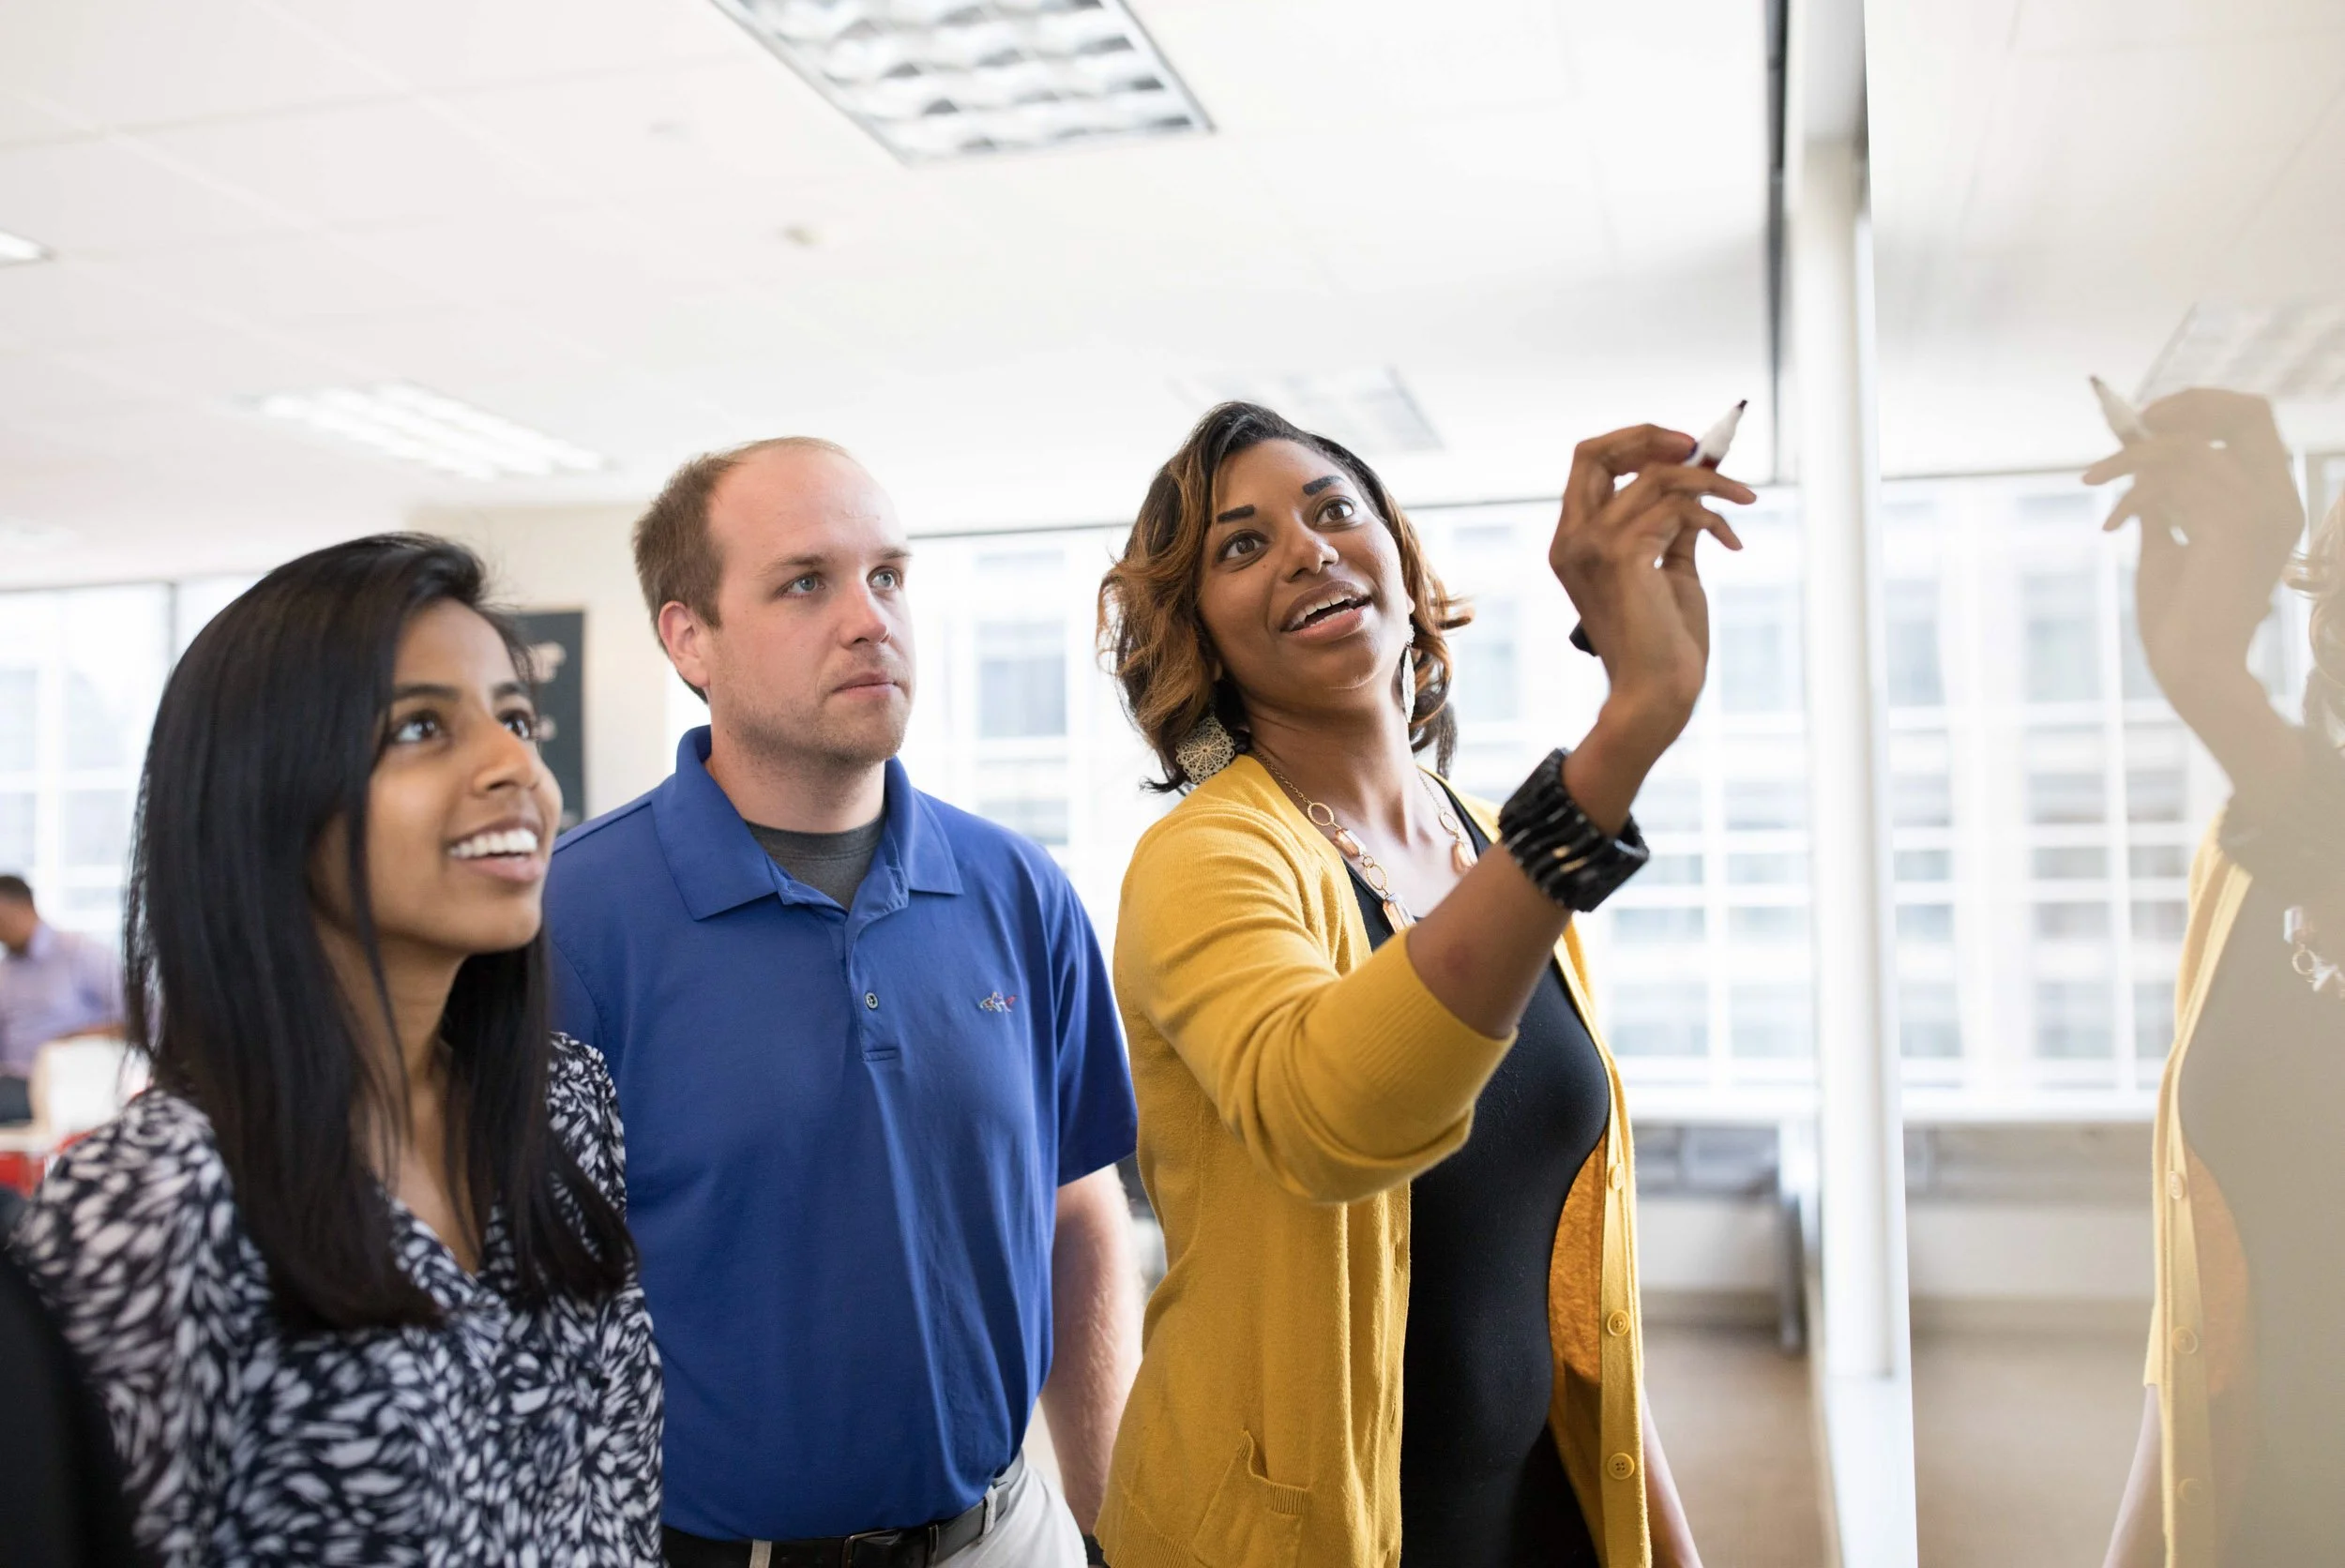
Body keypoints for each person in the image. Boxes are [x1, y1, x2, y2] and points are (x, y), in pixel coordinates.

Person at [1093, 402, 1734, 1568]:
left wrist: (1661, 1545)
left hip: (1530, 1518)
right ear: (1198, 635)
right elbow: (1333, 1114)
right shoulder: (1207, 857)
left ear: (1396, 554)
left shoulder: (1487, 845)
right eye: (1242, 545)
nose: (1305, 547)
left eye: (1334, 509)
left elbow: (1564, 1286)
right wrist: (1624, 730)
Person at [544, 436, 1141, 1568]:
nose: (871, 619)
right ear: (689, 639)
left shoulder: (1019, 890)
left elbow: (1075, 1204)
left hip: (1008, 1533)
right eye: (805, 583)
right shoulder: (568, 923)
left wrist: (1116, 1521)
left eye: (889, 576)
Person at [8, 536, 661, 1567]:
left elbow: (618, 1492)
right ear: (266, 796)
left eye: (517, 717)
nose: (517, 767)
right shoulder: (158, 1199)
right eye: (419, 726)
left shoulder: (562, 1097)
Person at [2090, 391, 2345, 1567]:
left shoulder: (2282, 827)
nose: (2330, 624)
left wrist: (2215, 685)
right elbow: (2198, 1314)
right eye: (2317, 585)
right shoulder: (2243, 864)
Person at [0, 877, 124, 1125]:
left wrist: (77, 1037)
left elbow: (140, 1019)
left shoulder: (80, 953)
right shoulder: (6, 969)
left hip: (63, 1082)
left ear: (25, 908)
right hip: (11, 1078)